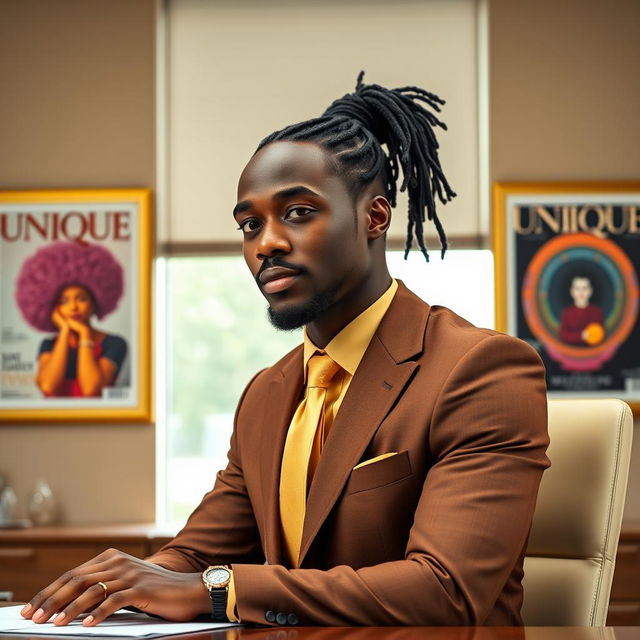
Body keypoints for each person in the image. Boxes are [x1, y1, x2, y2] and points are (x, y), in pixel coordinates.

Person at [20, 74, 549, 627]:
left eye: (297, 212)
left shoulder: (481, 370)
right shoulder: (267, 394)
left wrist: (217, 589)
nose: (265, 243)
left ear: (375, 216)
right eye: (250, 224)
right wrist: (122, 585)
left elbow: (446, 591)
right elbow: (199, 555)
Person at [15, 241, 128, 397]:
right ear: (54, 307)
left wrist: (84, 334)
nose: (73, 307)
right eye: (63, 301)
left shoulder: (115, 343)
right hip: (53, 421)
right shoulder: (49, 345)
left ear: (95, 303)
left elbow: (91, 389)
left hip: (100, 421)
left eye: (81, 299)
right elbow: (48, 386)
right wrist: (65, 331)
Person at [558, 275, 605, 346]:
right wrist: (582, 335)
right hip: (570, 352)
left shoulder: (597, 312)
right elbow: (563, 336)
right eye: (577, 288)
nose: (581, 292)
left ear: (590, 291)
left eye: (585, 288)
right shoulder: (566, 312)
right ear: (572, 291)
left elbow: (601, 335)